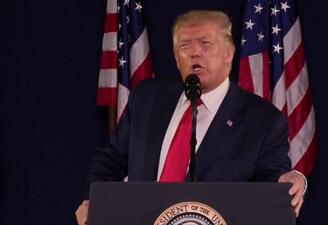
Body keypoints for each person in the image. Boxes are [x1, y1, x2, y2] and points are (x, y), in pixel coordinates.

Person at [76, 10, 306, 225]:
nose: (195, 52)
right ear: (176, 59)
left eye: (205, 44)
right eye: (185, 45)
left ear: (229, 54)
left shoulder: (263, 120)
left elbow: (271, 185)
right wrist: (95, 202)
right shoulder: (146, 99)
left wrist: (293, 180)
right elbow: (111, 159)